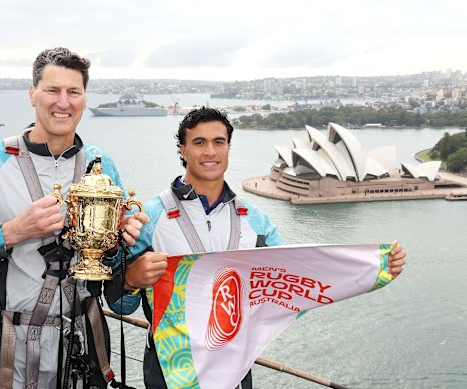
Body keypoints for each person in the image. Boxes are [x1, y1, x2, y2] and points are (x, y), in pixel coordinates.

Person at [105, 107, 407, 389]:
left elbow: (296, 284)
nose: (210, 151)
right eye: (199, 142)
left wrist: (373, 270)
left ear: (228, 149)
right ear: (183, 150)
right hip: (167, 372)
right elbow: (120, 305)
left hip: (236, 372)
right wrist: (130, 279)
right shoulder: (149, 217)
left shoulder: (256, 222)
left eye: (218, 142)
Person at [0, 47, 149, 389]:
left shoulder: (102, 166)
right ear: (32, 94)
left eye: (74, 92)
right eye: (53, 90)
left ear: (85, 99)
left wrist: (122, 249)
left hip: (83, 350)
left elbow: (122, 300)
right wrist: (10, 232)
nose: (63, 102)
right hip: (2, 352)